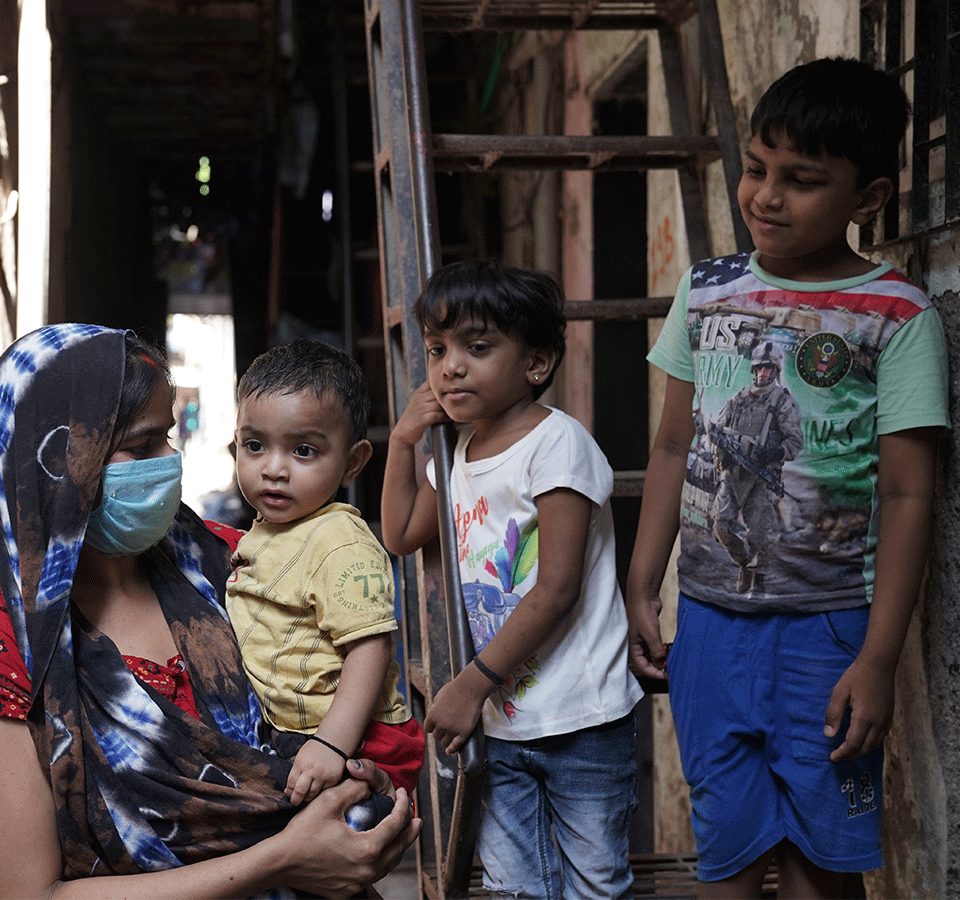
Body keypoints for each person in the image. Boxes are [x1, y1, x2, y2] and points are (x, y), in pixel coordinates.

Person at [0, 323, 420, 898]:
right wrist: (282, 860)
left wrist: (362, 807)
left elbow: (347, 694)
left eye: (167, 437)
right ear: (59, 462)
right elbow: (24, 895)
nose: (169, 461)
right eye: (141, 448)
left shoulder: (232, 564)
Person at [627, 57, 950, 898]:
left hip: (830, 635)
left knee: (822, 866)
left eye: (802, 181)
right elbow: (670, 449)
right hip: (707, 625)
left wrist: (878, 658)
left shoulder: (900, 315)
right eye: (757, 170)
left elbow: (912, 492)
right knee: (725, 859)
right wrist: (641, 586)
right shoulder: (706, 293)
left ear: (869, 198)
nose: (766, 196)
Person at [381, 260, 644, 898]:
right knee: (515, 887)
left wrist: (471, 684)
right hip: (503, 718)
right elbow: (400, 535)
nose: (450, 368)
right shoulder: (456, 455)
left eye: (478, 347)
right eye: (438, 350)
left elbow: (557, 588)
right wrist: (402, 440)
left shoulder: (558, 444)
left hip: (581, 715)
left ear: (536, 363)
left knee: (595, 882)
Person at [226, 340, 425, 805]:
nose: (274, 469)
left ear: (352, 463)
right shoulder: (274, 527)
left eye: (303, 451)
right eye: (254, 446)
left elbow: (369, 647)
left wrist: (332, 743)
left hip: (355, 737)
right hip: (298, 729)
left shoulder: (340, 540)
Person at [709, 339, 803, 593]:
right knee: (720, 524)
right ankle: (744, 561)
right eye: (760, 368)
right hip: (734, 473)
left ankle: (757, 577)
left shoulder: (782, 401)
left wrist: (774, 451)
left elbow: (795, 441)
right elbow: (717, 432)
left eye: (768, 369)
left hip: (763, 477)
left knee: (760, 532)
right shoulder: (739, 399)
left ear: (776, 371)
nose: (763, 373)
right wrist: (722, 455)